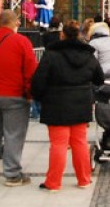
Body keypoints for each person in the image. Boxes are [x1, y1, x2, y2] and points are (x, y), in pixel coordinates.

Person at [30, 20, 105, 191]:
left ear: (62, 35)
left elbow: (39, 81)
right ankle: (84, 179)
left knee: (58, 144)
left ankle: (54, 182)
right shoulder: (88, 55)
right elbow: (99, 78)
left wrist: (39, 97)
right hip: (81, 102)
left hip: (56, 103)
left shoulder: (51, 54)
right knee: (79, 142)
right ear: (79, 35)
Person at [0, 9, 38, 185]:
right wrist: (29, 94)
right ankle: (12, 174)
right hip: (14, 95)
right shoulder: (21, 42)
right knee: (13, 135)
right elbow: (30, 70)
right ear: (15, 23)